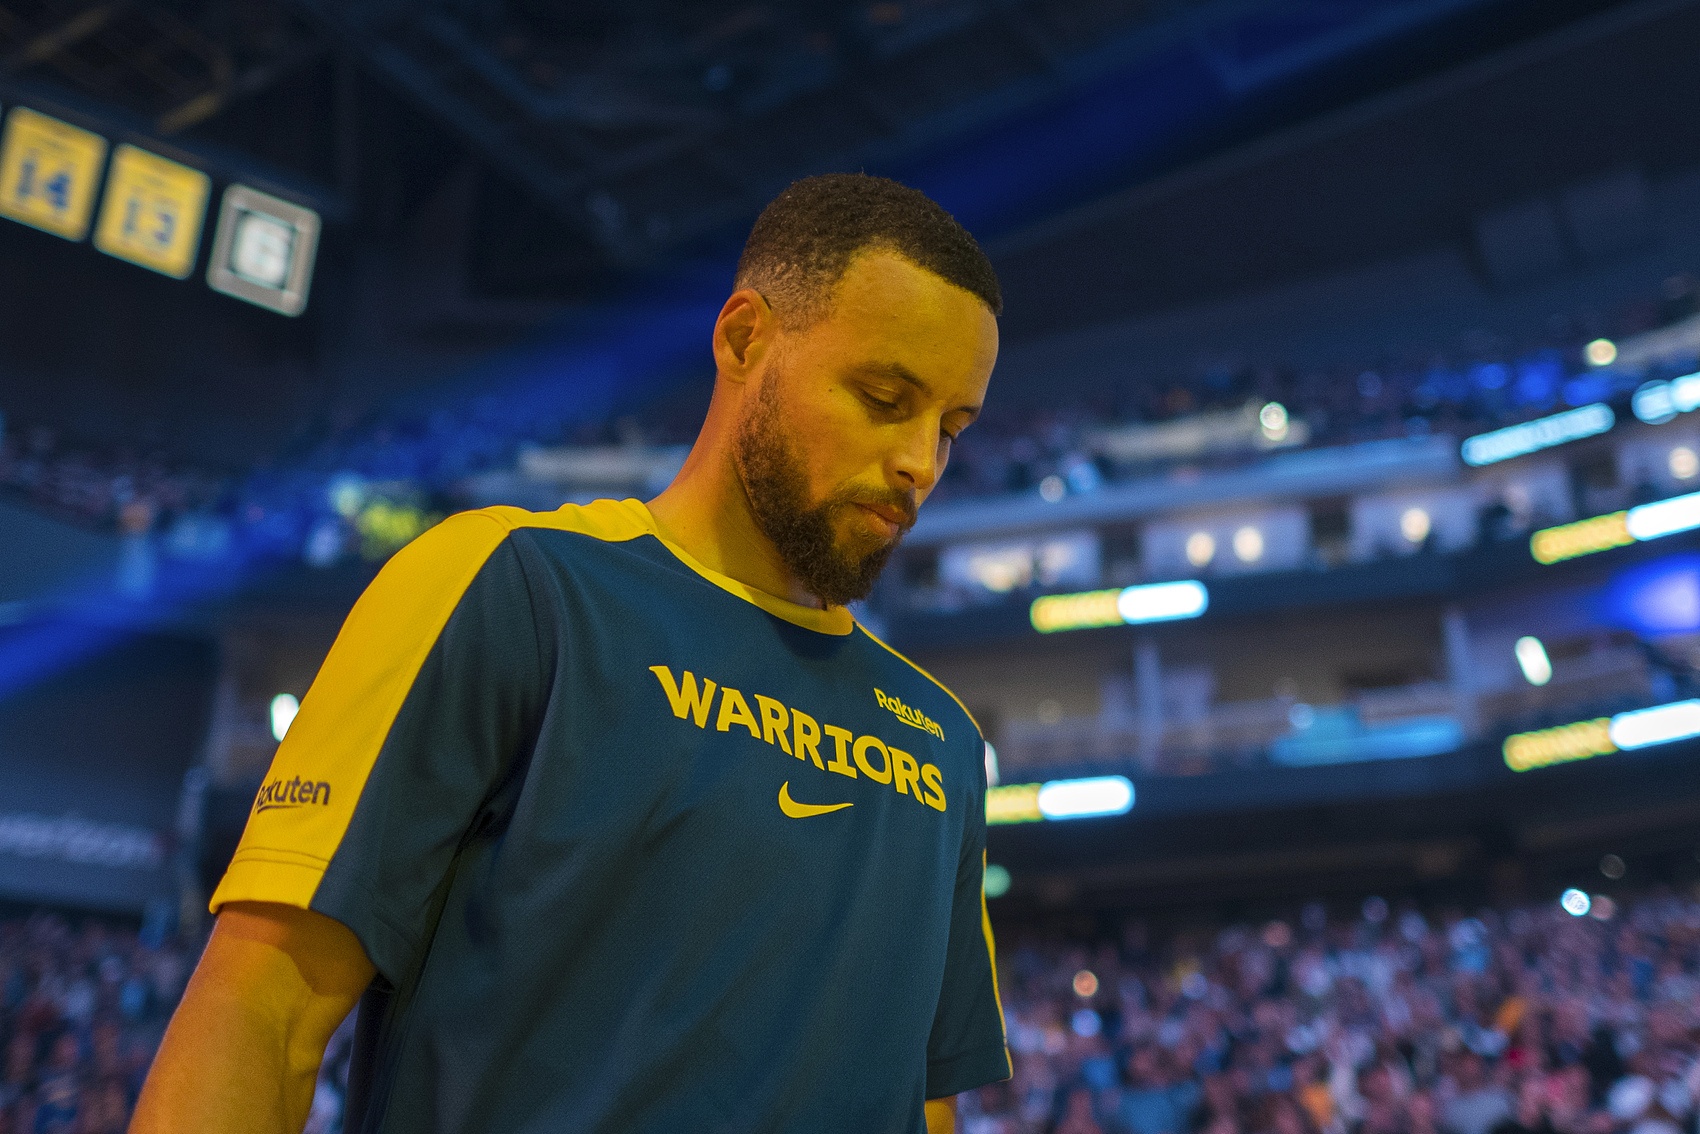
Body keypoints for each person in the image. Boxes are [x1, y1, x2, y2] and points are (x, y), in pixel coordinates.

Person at [131, 173, 1009, 1134]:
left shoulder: (942, 746)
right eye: (884, 398)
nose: (921, 461)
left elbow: (925, 1108)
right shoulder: (513, 587)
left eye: (951, 428)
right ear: (743, 339)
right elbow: (263, 1012)